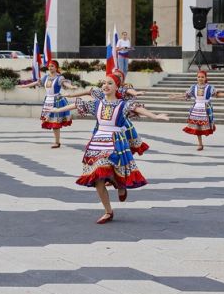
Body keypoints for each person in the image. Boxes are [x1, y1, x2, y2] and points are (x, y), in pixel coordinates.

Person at [46, 74, 169, 224]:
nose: (105, 85)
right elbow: (78, 105)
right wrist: (58, 110)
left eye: (110, 83)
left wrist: (155, 116)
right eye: (104, 83)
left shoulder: (123, 104)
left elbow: (137, 108)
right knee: (98, 177)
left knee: (111, 170)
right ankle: (108, 211)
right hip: (97, 141)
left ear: (117, 87)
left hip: (115, 141)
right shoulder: (97, 103)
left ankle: (120, 185)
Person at [65, 69, 149, 155]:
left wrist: (136, 93)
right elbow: (88, 92)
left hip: (120, 120)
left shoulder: (124, 88)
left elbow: (129, 91)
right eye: (115, 75)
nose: (117, 77)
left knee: (124, 140)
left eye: (119, 76)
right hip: (105, 119)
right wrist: (70, 95)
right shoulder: (104, 90)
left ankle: (123, 154)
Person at [18, 60, 77, 148]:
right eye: (49, 66)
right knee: (53, 122)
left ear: (56, 68)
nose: (50, 68)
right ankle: (57, 142)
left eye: (52, 66)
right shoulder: (46, 77)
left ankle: (57, 142)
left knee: (56, 123)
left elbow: (65, 83)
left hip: (57, 101)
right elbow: (36, 83)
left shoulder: (59, 77)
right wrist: (25, 86)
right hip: (48, 101)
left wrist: (72, 86)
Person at [168, 71, 224, 151]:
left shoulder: (209, 87)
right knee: (197, 127)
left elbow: (216, 94)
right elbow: (186, 95)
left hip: (205, 108)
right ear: (196, 78)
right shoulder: (193, 87)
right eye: (199, 77)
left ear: (205, 78)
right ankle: (200, 144)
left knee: (205, 126)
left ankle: (202, 141)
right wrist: (175, 97)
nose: (200, 78)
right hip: (196, 108)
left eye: (202, 77)